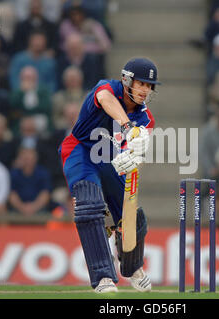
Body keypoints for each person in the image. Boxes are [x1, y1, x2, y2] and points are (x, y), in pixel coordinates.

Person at [58, 57, 159, 293]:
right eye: (141, 84)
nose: (145, 90)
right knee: (90, 206)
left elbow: (136, 156)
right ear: (127, 80)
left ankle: (133, 266)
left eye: (149, 86)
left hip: (109, 157)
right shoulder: (108, 88)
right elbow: (105, 100)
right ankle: (103, 276)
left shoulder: (146, 118)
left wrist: (134, 159)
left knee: (131, 213)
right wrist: (127, 127)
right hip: (80, 150)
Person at [9, 148, 51, 216]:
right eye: (25, 159)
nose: (28, 162)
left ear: (35, 159)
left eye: (30, 159)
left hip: (38, 208)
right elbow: (12, 195)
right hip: (18, 208)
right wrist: (22, 207)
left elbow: (45, 194)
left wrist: (33, 207)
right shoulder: (14, 174)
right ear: (21, 159)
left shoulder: (43, 173)